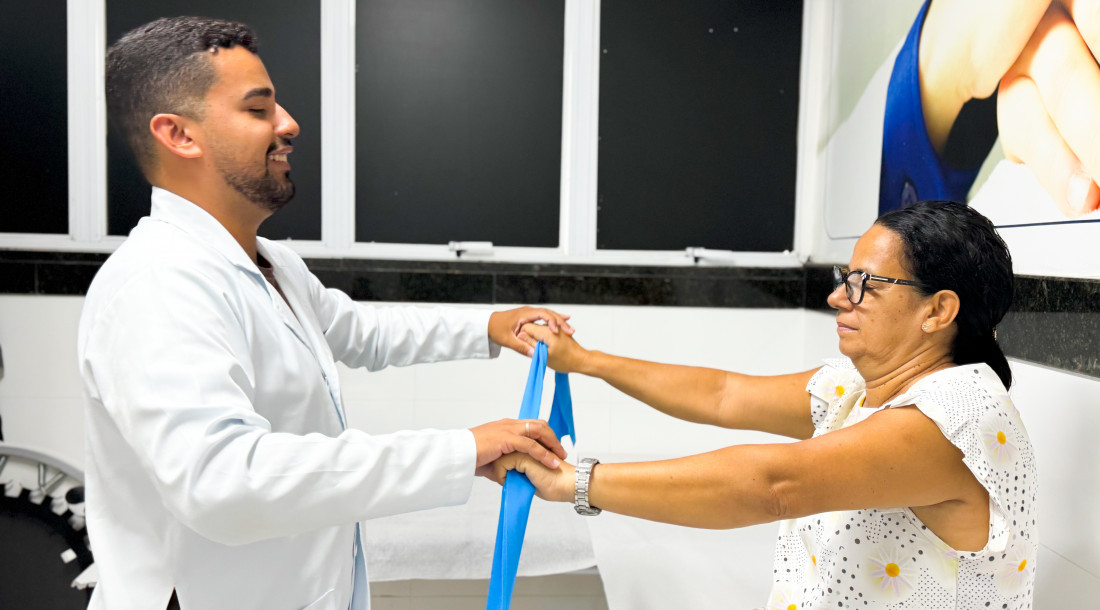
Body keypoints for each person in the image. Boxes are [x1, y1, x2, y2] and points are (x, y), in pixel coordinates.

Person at [80, 16, 571, 610]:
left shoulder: (269, 263)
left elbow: (358, 331)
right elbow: (223, 482)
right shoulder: (158, 285)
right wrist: (462, 450)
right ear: (179, 135)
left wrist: (490, 327)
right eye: (258, 109)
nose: (289, 124)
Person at [494, 201, 1037, 609]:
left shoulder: (958, 415)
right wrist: (583, 360)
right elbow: (724, 395)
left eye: (864, 284)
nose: (837, 298)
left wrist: (573, 482)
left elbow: (774, 487)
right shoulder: (857, 387)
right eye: (844, 279)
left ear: (938, 310)